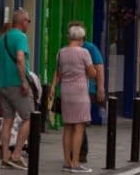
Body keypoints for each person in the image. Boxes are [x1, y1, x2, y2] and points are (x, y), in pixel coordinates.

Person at [51, 24, 96, 173]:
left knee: (68, 127)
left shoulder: (61, 52)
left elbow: (58, 73)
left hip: (65, 92)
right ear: (81, 38)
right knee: (79, 128)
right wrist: (94, 71)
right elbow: (91, 73)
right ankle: (76, 163)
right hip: (80, 93)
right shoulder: (84, 53)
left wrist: (52, 88)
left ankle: (67, 162)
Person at [0, 9, 34, 171]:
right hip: (17, 85)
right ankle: (17, 155)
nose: (29, 24)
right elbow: (20, 58)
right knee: (29, 118)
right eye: (28, 21)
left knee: (7, 121)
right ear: (22, 21)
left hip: (2, 84)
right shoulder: (20, 37)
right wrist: (24, 82)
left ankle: (5, 157)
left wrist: (1, 80)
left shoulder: (2, 39)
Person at [68, 21, 104, 165]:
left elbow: (99, 68)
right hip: (71, 91)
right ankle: (74, 153)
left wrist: (100, 88)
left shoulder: (90, 48)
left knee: (79, 123)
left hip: (87, 90)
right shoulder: (67, 49)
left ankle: (81, 153)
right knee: (74, 123)